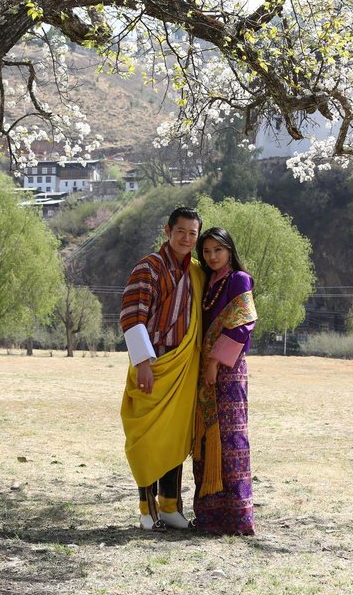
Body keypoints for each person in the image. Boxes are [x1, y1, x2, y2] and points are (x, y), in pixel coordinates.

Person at [120, 206, 205, 531]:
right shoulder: (150, 267)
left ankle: (170, 505)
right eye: (181, 231)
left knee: (174, 436)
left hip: (184, 366)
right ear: (168, 231)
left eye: (192, 233)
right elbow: (132, 315)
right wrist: (142, 362)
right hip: (154, 364)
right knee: (147, 437)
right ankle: (146, 508)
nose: (186, 238)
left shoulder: (196, 271)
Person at [192, 227, 257, 536]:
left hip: (228, 370)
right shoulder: (206, 283)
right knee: (205, 441)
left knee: (230, 440)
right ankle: (209, 516)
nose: (212, 256)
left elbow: (243, 325)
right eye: (206, 251)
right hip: (203, 370)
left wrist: (216, 361)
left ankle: (236, 517)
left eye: (218, 250)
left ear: (230, 250)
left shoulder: (239, 280)